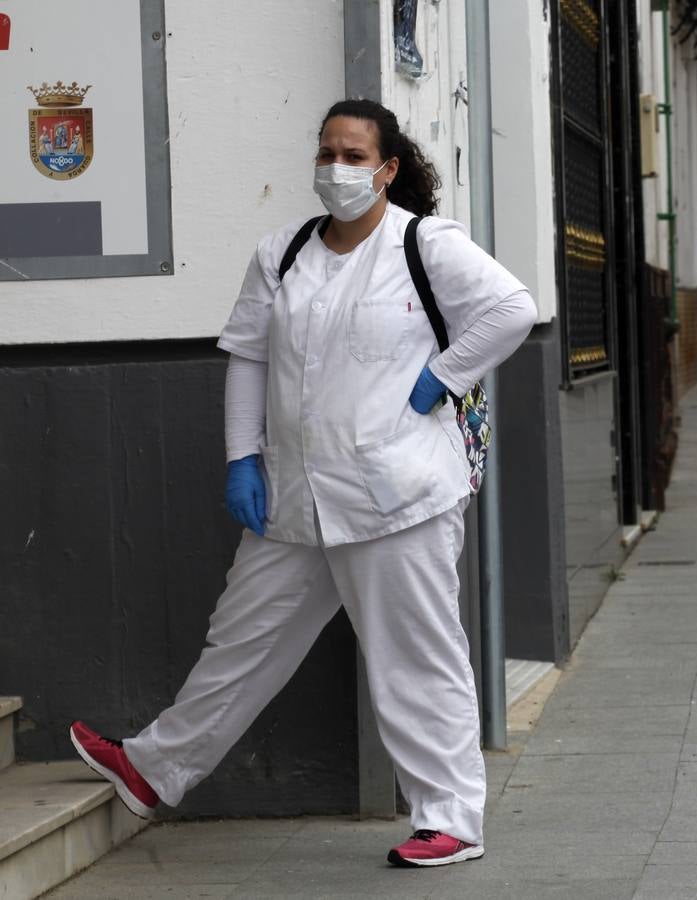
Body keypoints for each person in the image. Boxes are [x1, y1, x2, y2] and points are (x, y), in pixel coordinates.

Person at [68, 98, 537, 869]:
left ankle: (451, 819)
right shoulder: (282, 252)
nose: (336, 168)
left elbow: (510, 309)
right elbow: (248, 356)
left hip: (396, 495)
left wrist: (442, 378)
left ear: (386, 169)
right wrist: (240, 458)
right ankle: (154, 770)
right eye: (326, 153)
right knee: (243, 640)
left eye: (354, 155)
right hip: (295, 493)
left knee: (416, 654)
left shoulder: (423, 243)